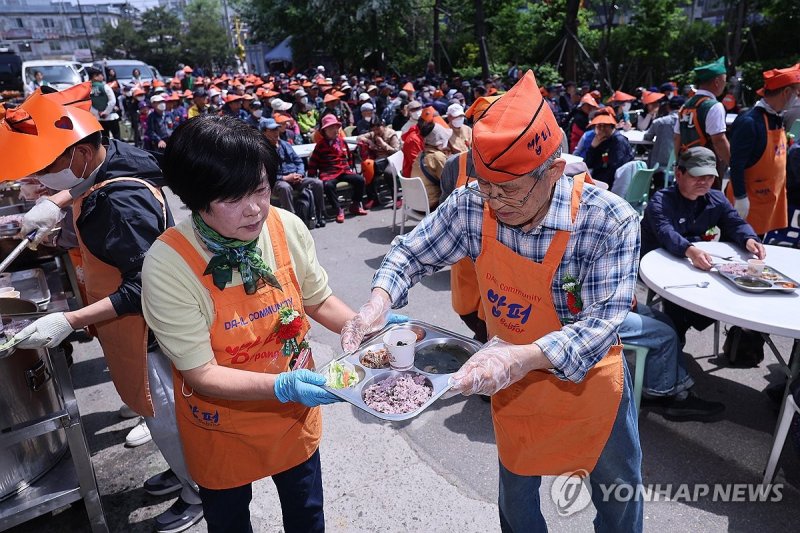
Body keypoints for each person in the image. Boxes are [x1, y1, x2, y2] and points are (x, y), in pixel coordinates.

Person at [342, 71, 642, 532]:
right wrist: (378, 303)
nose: (496, 202)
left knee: (618, 493)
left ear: (554, 172)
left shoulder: (608, 221)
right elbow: (410, 253)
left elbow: (601, 324)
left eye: (510, 190)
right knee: (516, 499)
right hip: (508, 381)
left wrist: (520, 358)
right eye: (486, 186)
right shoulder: (472, 203)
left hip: (589, 385)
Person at [3, 86, 203, 533]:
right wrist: (57, 208)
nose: (43, 178)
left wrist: (69, 320)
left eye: (48, 168)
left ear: (80, 152)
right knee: (162, 414)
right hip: (135, 328)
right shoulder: (108, 162)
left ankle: (200, 490)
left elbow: (145, 286)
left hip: (150, 331)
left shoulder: (118, 203)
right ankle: (184, 472)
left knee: (167, 414)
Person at [142, 115, 352, 533]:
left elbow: (318, 299)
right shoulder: (168, 264)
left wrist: (364, 327)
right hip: (221, 425)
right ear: (196, 198)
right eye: (233, 198)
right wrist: (281, 386)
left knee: (307, 516)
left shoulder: (285, 226)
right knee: (229, 523)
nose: (255, 208)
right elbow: (200, 373)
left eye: (260, 189)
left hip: (292, 417)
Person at [641, 147, 765, 343]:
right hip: (658, 264)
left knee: (737, 292)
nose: (704, 182)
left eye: (709, 177)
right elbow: (666, 233)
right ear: (678, 174)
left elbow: (734, 222)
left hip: (695, 265)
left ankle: (738, 340)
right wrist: (689, 250)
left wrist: (749, 239)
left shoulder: (716, 199)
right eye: (697, 176)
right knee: (680, 297)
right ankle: (673, 340)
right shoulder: (661, 201)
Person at [619, 302, 725, 421]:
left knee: (665, 320)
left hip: (611, 304)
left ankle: (657, 388)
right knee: (664, 335)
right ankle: (676, 397)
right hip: (603, 318)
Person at [726, 64, 800, 235]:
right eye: (797, 93)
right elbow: (736, 163)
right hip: (749, 202)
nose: (797, 98)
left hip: (767, 199)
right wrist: (740, 197)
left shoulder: (776, 118)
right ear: (786, 92)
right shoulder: (749, 122)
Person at [674, 56, 730, 188]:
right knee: (709, 199)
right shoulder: (714, 106)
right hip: (707, 168)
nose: (725, 85)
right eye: (724, 81)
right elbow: (719, 140)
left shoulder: (685, 106)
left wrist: (678, 163)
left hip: (686, 165)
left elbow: (677, 137)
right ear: (717, 81)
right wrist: (732, 162)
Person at [261, 117, 326, 228]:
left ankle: (319, 215)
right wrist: (285, 178)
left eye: (276, 129)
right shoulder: (262, 150)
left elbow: (298, 161)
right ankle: (292, 221)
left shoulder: (285, 144)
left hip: (295, 177)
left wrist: (300, 174)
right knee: (285, 187)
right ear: (264, 133)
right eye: (272, 130)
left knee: (317, 183)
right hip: (278, 181)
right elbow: (265, 173)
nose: (276, 132)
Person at [307, 114, 368, 223]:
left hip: (344, 171)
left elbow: (349, 157)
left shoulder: (342, 142)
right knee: (328, 185)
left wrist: (349, 168)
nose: (335, 130)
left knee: (360, 180)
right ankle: (338, 209)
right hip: (329, 173)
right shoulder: (320, 145)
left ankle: (355, 205)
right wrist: (311, 178)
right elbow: (313, 163)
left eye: (336, 127)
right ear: (325, 131)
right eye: (331, 128)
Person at [356, 116, 400, 209]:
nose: (376, 131)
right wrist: (369, 141)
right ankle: (373, 198)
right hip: (379, 161)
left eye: (378, 128)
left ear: (383, 126)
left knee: (389, 173)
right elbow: (359, 138)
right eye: (374, 129)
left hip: (391, 159)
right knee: (367, 169)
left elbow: (396, 151)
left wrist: (383, 144)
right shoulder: (373, 134)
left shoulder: (391, 134)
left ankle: (397, 198)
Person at [584, 111, 634, 190]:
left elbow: (615, 169)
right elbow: (588, 164)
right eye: (599, 126)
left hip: (613, 184)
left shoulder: (618, 141)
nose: (601, 129)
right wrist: (593, 147)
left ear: (612, 126)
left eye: (605, 125)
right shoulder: (602, 140)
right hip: (601, 179)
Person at [411, 119, 452, 210]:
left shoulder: (421, 154)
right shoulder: (437, 157)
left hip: (415, 203)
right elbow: (449, 183)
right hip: (431, 205)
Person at [89, 68, 120, 141]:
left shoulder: (88, 88)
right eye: (101, 75)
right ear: (95, 76)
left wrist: (97, 112)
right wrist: (106, 112)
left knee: (104, 140)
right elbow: (112, 101)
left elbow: (88, 103)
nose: (102, 77)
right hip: (111, 116)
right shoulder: (105, 86)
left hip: (98, 118)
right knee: (116, 138)